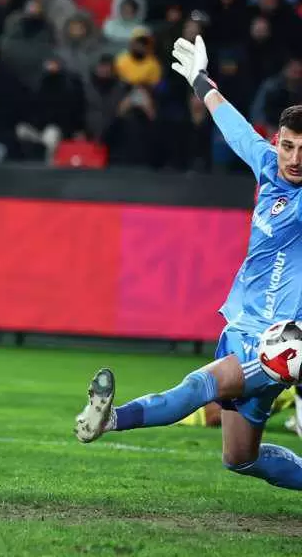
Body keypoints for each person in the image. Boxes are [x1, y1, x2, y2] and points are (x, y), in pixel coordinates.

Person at [76, 34, 302, 490]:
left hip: (277, 344)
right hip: (239, 327)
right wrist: (200, 80)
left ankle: (111, 419)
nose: (295, 159)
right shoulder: (267, 165)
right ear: (277, 142)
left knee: (201, 387)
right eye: (290, 146)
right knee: (240, 458)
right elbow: (235, 127)